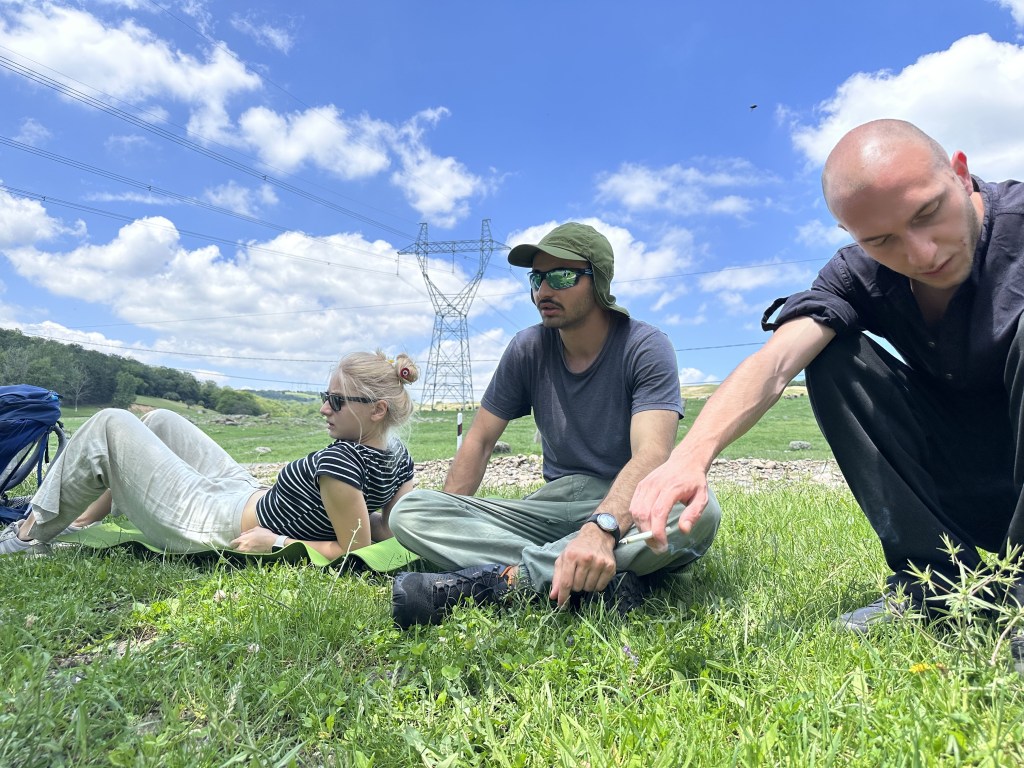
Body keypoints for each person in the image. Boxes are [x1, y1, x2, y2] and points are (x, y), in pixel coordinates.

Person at [630, 118, 1024, 637]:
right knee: (830, 352)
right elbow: (776, 363)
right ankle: (935, 586)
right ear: (851, 234)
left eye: (928, 213)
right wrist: (689, 457)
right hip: (963, 481)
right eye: (881, 239)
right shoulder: (857, 274)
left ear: (960, 173)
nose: (921, 254)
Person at [388, 221, 721, 628]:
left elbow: (652, 455)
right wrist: (455, 513)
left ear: (598, 280)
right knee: (412, 510)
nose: (543, 291)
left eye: (561, 277)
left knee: (699, 511)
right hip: (554, 504)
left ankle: (506, 582)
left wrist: (602, 528)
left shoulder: (645, 346)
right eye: (537, 279)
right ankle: (590, 574)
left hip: (625, 502)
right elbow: (479, 440)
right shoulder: (527, 348)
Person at [0, 351, 419, 559]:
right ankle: (84, 518)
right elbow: (394, 525)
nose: (325, 408)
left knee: (110, 423)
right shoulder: (397, 456)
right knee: (160, 419)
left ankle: (27, 537)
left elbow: (355, 552)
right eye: (325, 396)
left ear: (377, 410)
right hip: (244, 492)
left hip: (209, 520)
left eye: (336, 400)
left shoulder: (341, 462)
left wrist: (279, 542)